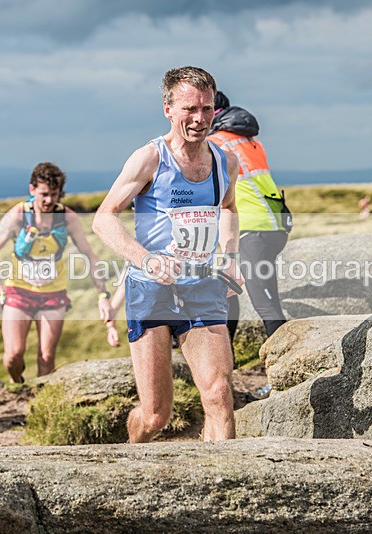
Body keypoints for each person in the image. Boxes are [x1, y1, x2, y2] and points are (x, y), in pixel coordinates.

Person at [93, 66, 242, 443]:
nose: (199, 118)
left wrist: (231, 257)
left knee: (219, 395)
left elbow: (228, 208)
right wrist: (146, 259)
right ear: (168, 109)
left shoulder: (226, 161)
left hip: (202, 288)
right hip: (151, 291)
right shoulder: (149, 158)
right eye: (190, 109)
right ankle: (132, 454)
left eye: (207, 109)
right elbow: (103, 218)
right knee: (156, 416)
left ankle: (222, 486)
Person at [0, 162, 113, 383]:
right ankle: (18, 383)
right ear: (32, 189)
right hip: (18, 291)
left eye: (54, 194)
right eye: (43, 194)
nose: (48, 200)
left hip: (53, 295)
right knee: (13, 356)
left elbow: (90, 255)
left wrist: (103, 295)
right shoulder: (18, 214)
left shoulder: (67, 217)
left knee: (46, 358)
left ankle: (39, 405)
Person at [208, 91, 289, 341]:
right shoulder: (249, 140)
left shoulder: (215, 142)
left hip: (251, 230)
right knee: (227, 290)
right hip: (273, 224)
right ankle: (226, 360)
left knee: (266, 307)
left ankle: (280, 376)